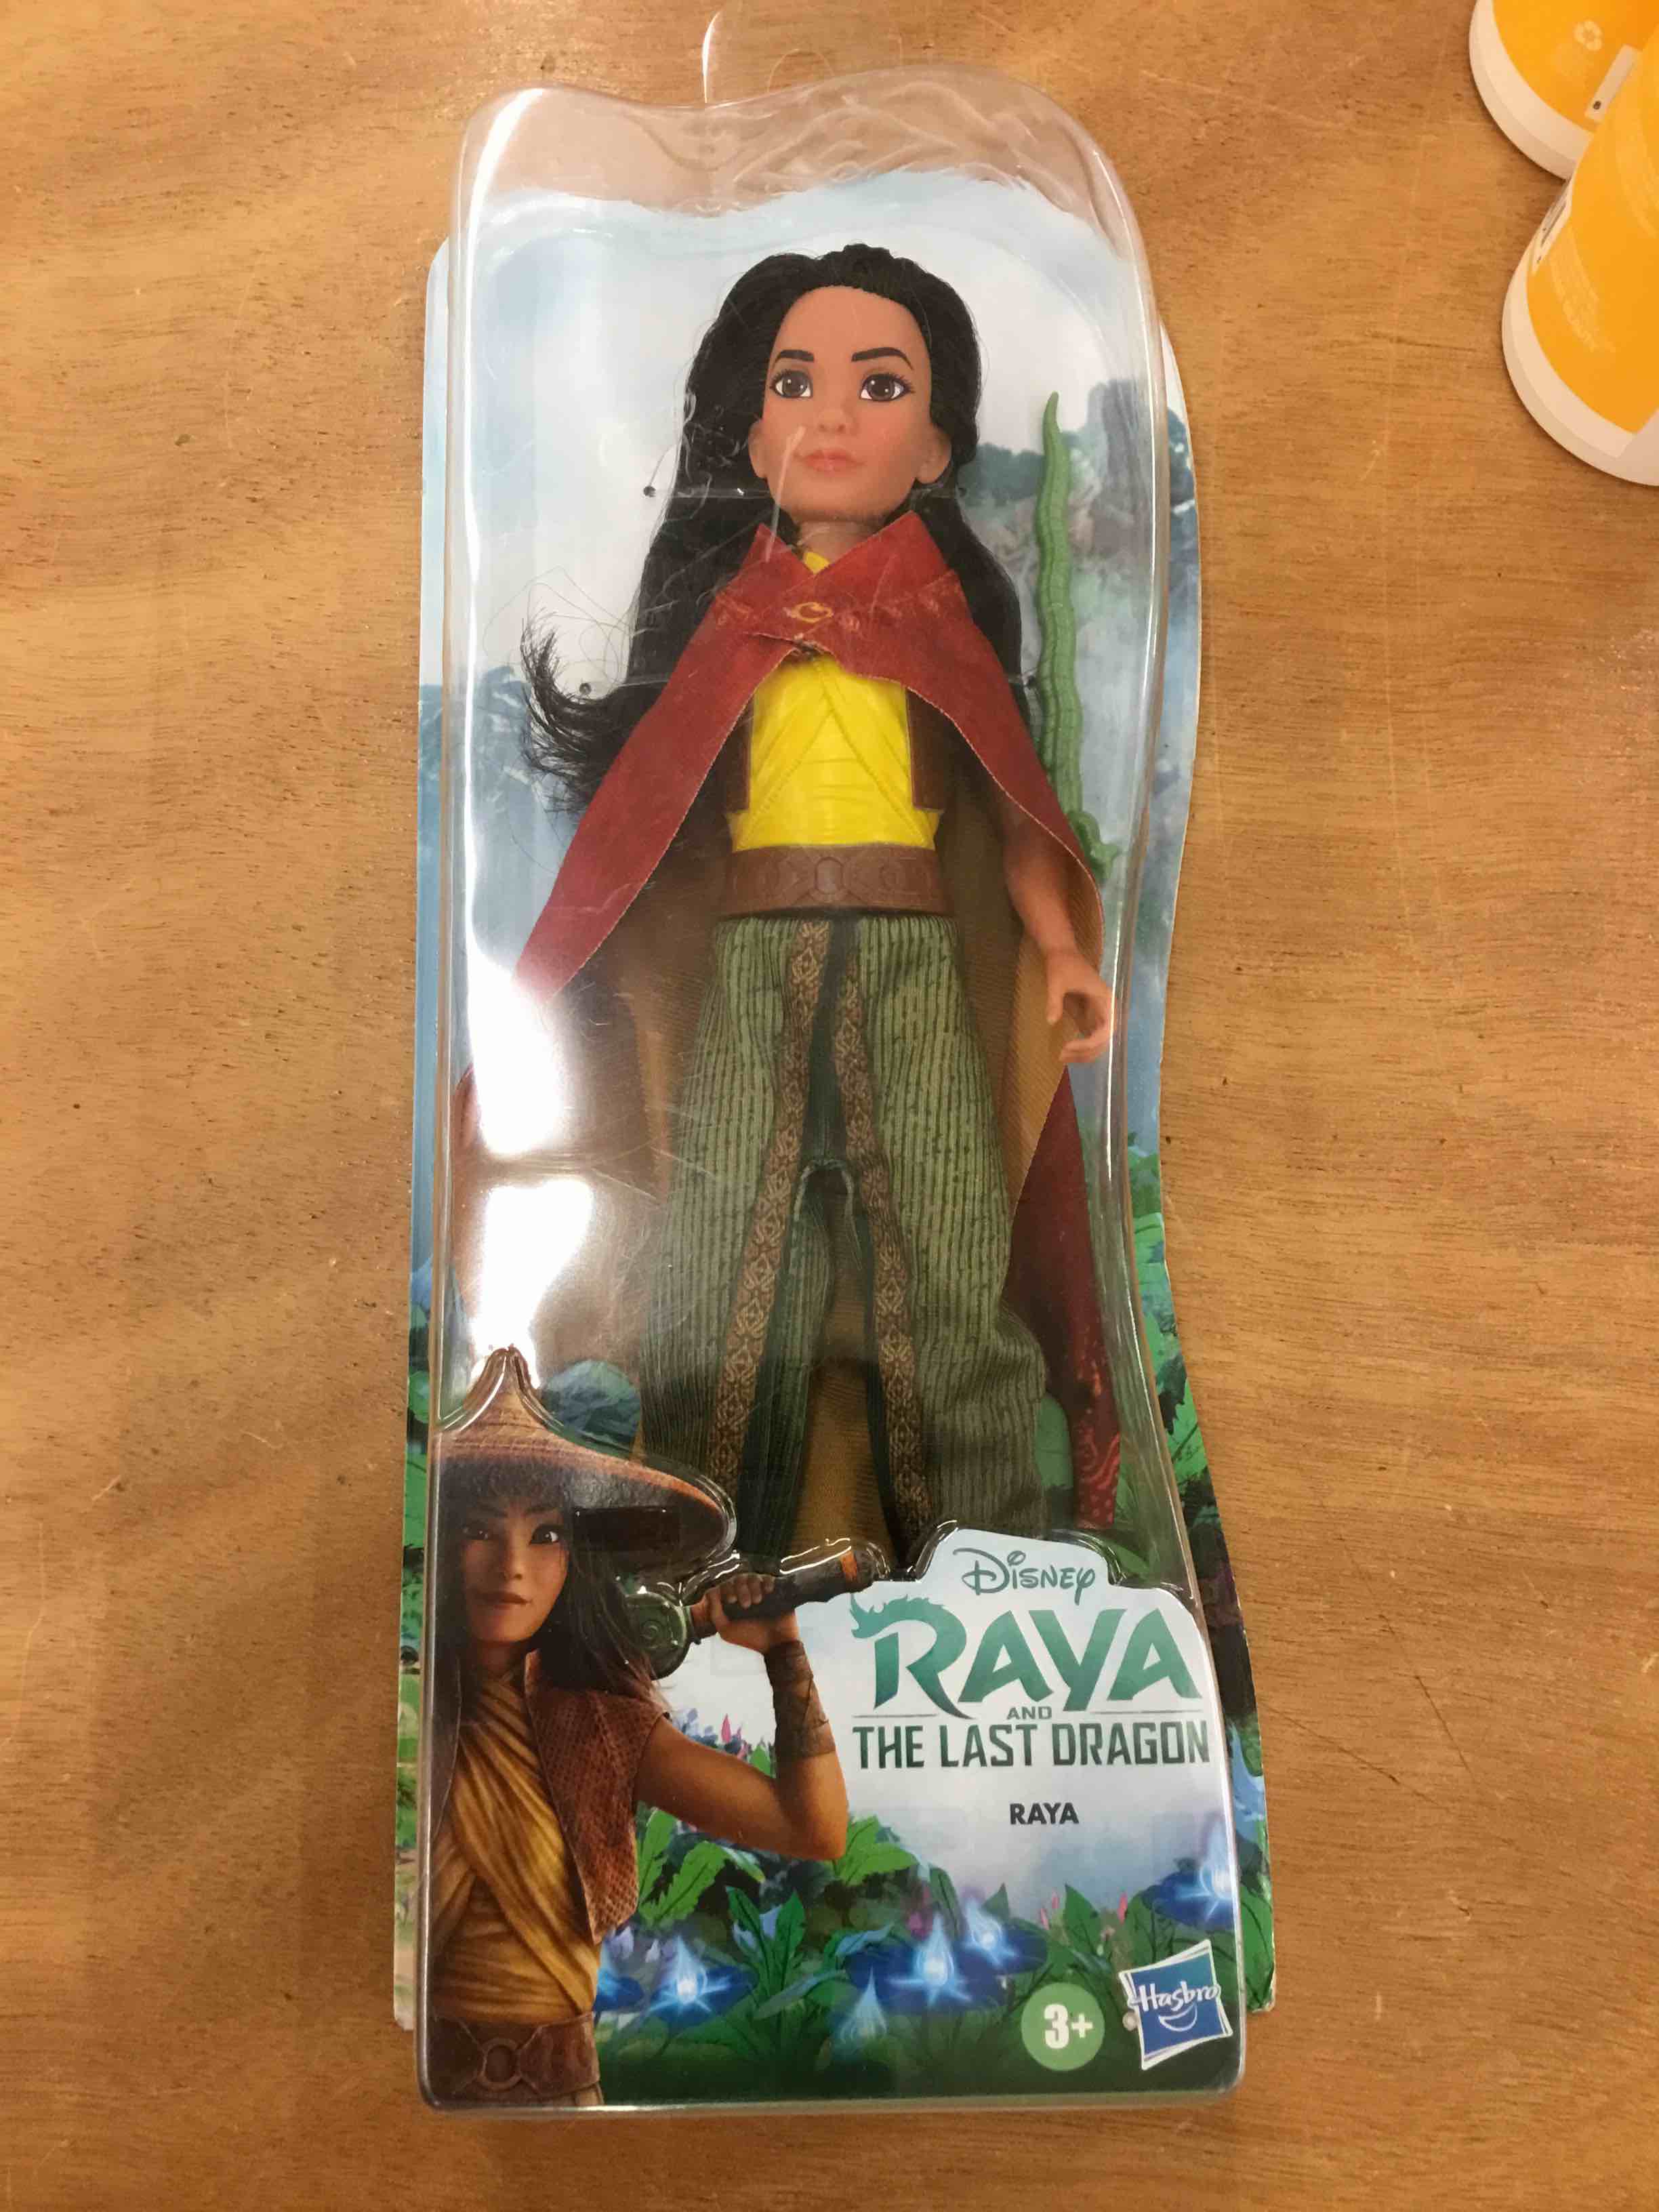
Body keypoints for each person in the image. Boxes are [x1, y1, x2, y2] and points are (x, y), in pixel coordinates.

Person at [491, 242, 1120, 1567]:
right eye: (796, 382)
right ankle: (694, 1559)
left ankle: (991, 1556)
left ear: (937, 447)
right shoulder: (730, 617)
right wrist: (545, 1008)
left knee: (949, 1254)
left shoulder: (942, 618)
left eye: (879, 386)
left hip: (913, 955)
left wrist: (1060, 948)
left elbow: (1015, 811)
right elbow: (637, 822)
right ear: (751, 427)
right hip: (750, 956)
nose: (832, 416)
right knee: (718, 1259)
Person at [422, 1346, 847, 2108]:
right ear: (441, 1541)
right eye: (480, 1529)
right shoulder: (408, 1711)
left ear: (575, 1557)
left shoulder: (598, 1728)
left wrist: (785, 1654)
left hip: (557, 2104)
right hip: (393, 2089)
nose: (512, 1565)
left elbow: (812, 1828)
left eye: (545, 1534)